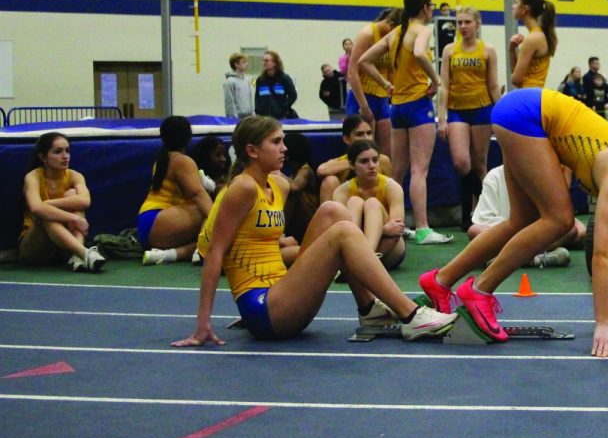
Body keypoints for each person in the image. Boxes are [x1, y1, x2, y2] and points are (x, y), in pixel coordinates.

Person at [417, 88, 608, 357]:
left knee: (522, 220)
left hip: (518, 112)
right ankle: (479, 290)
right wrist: (604, 324)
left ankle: (441, 281)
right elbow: (602, 254)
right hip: (525, 116)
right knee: (560, 220)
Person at [173, 116, 457, 347]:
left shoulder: (278, 185)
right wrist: (203, 323)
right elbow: (215, 251)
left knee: (332, 212)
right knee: (344, 231)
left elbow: (260, 241)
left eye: (283, 141)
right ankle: (410, 315)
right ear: (252, 151)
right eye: (276, 142)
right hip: (265, 310)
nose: (285, 148)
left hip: (282, 292)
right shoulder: (242, 187)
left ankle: (369, 309)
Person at [359, 0, 453, 245]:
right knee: (420, 171)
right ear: (425, 8)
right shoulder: (421, 30)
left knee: (397, 172)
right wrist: (435, 81)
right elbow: (421, 54)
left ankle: (391, 222)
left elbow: (364, 61)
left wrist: (385, 84)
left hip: (397, 107)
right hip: (418, 105)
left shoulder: (396, 33)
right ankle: (422, 228)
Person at [437, 5, 501, 230]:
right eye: (459, 23)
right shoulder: (449, 51)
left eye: (467, 22)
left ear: (477, 24)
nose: (462, 27)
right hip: (457, 110)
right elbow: (444, 85)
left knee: (479, 164)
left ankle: (478, 215)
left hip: (482, 109)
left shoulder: (487, 51)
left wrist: (500, 112)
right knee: (461, 162)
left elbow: (493, 85)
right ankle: (493, 206)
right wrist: (442, 117)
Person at [18, 132, 106, 272]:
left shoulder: (74, 175)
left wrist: (47, 204)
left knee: (71, 195)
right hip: (36, 249)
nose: (65, 156)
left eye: (67, 151)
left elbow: (85, 201)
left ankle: (77, 256)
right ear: (43, 157)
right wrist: (75, 218)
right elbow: (35, 208)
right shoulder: (33, 177)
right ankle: (84, 253)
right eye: (58, 152)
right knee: (45, 215)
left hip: (63, 248)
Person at [467, 164, 582, 268]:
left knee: (573, 230)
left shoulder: (545, 175)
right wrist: (518, 230)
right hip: (507, 233)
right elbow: (482, 221)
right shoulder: (495, 175)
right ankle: (537, 258)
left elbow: (561, 220)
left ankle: (510, 257)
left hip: (538, 233)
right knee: (475, 231)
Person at [139, 116, 213, 265]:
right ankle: (203, 249)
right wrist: (219, 219)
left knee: (206, 236)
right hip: (159, 220)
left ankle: (166, 255)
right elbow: (198, 195)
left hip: (146, 222)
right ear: (188, 137)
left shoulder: (162, 159)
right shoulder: (182, 161)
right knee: (211, 214)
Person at [332, 139, 407, 269]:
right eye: (364, 161)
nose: (372, 165)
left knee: (372, 203)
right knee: (355, 201)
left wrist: (378, 230)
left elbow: (397, 228)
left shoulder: (392, 187)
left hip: (389, 248)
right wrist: (383, 229)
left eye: (375, 160)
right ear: (351, 164)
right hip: (355, 243)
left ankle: (363, 260)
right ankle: (359, 260)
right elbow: (340, 232)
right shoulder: (342, 191)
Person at [345, 7, 401, 168]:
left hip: (381, 98)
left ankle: (385, 190)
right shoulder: (368, 34)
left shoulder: (392, 39)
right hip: (361, 96)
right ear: (390, 24)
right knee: (362, 153)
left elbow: (391, 71)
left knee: (385, 155)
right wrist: (363, 105)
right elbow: (352, 72)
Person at [316, 114, 394, 203]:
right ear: (346, 139)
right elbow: (321, 171)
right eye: (359, 134)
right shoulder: (342, 161)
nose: (366, 138)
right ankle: (329, 216)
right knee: (330, 181)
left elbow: (393, 191)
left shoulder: (383, 160)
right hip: (346, 211)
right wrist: (355, 161)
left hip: (376, 209)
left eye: (369, 133)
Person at [509, 0, 556, 89]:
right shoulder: (538, 35)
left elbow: (516, 80)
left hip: (529, 94)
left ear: (524, 9)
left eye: (516, 3)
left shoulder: (532, 39)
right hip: (534, 92)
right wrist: (512, 50)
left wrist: (511, 51)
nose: (512, 6)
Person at [254, 50, 298, 119]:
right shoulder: (260, 80)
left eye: (267, 61)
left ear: (275, 63)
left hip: (280, 117)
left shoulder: (285, 78)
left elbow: (293, 96)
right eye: (263, 60)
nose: (264, 63)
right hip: (263, 117)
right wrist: (258, 110)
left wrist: (283, 108)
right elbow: (257, 97)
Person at [222, 53, 253, 119]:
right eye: (244, 62)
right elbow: (230, 102)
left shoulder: (247, 81)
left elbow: (250, 99)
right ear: (236, 64)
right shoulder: (229, 82)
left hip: (248, 118)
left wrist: (253, 115)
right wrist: (233, 118)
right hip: (237, 118)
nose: (247, 64)